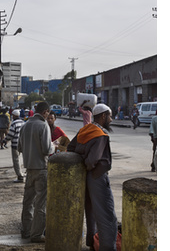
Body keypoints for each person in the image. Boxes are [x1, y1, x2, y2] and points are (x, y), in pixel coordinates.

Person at [67, 103, 118, 250]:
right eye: (110, 116)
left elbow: (70, 148)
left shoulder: (85, 129)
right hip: (97, 176)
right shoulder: (100, 135)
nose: (111, 119)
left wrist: (82, 165)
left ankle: (92, 242)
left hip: (86, 176)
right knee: (107, 214)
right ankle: (108, 247)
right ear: (103, 116)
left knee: (91, 211)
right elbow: (92, 160)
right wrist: (87, 164)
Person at [18, 101, 54, 243]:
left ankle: (26, 231)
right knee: (40, 203)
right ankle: (37, 234)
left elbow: (20, 147)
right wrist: (54, 146)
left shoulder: (25, 125)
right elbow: (46, 149)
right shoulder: (43, 125)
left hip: (29, 168)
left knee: (28, 201)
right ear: (45, 112)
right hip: (41, 169)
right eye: (48, 114)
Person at [3, 109, 25, 183]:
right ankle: (22, 173)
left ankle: (20, 176)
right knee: (21, 160)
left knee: (16, 160)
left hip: (15, 144)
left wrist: (5, 140)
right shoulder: (23, 123)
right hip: (23, 144)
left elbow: (11, 134)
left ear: (14, 116)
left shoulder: (14, 123)